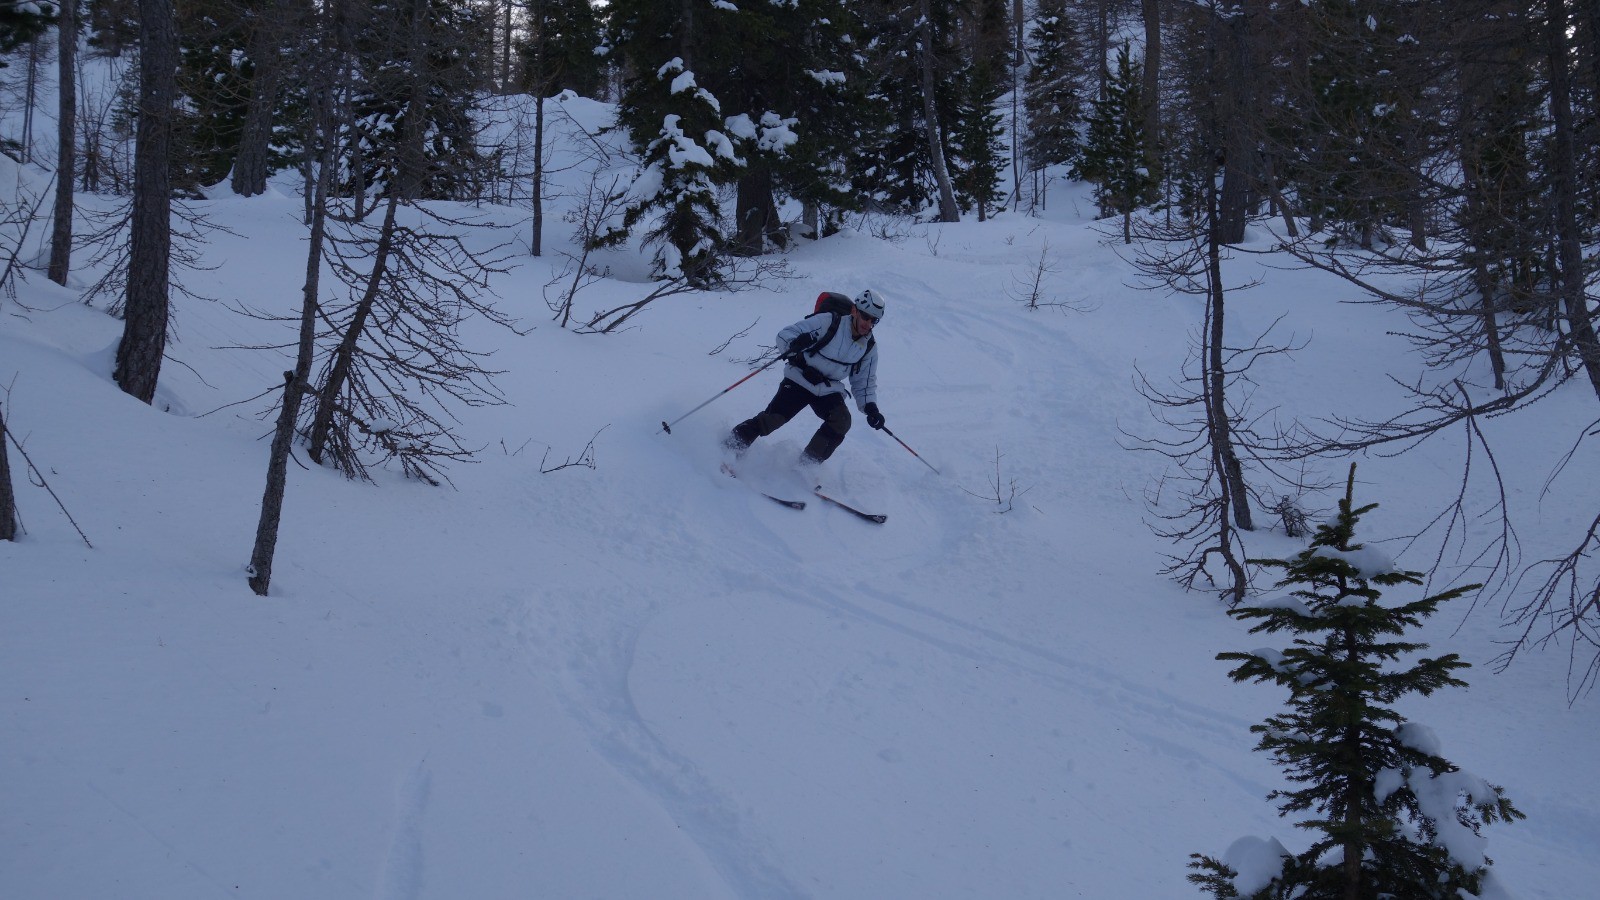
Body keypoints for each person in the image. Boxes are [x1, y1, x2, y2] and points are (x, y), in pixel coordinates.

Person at [726, 289, 888, 465]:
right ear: (855, 311)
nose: (868, 323)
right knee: (773, 419)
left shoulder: (869, 347)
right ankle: (731, 446)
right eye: (866, 316)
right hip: (800, 378)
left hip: (828, 389)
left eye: (874, 320)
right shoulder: (829, 322)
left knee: (841, 421)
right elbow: (784, 335)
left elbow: (864, 382)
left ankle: (807, 466)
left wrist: (871, 408)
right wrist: (795, 344)